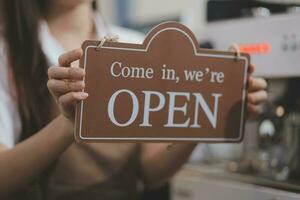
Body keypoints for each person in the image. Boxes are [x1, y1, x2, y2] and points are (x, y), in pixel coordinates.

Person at [0, 0, 268, 199]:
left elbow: (150, 172)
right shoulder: (7, 53)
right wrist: (70, 124)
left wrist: (206, 113)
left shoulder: (139, 46)